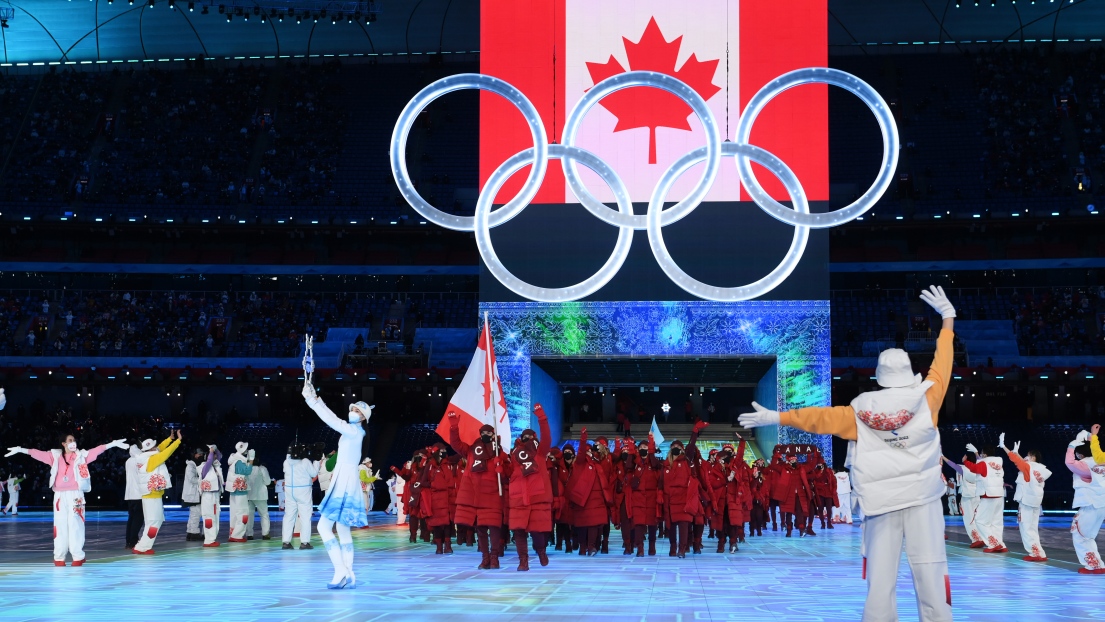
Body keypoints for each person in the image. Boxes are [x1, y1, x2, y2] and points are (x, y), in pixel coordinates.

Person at [739, 284, 956, 622]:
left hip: (880, 505)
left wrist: (774, 416)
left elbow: (816, 418)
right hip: (924, 502)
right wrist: (947, 320)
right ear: (910, 373)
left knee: (880, 581)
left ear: (878, 377)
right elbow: (942, 365)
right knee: (930, 573)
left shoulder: (859, 410)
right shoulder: (928, 398)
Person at [5, 434, 128, 566]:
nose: (73, 442)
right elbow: (38, 454)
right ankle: (59, 557)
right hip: (59, 495)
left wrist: (112, 444)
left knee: (76, 525)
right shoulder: (55, 456)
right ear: (63, 443)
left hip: (76, 495)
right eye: (70, 440)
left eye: (74, 440)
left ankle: (78, 556)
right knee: (60, 525)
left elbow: (97, 450)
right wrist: (21, 449)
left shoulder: (81, 456)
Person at [302, 382, 371, 589]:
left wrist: (313, 401)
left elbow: (331, 419)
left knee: (324, 527)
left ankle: (340, 569)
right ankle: (348, 572)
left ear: (364, 418)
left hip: (344, 481)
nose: (353, 411)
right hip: (345, 479)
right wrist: (314, 398)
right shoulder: (355, 432)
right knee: (342, 529)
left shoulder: (353, 431)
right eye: (352, 408)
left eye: (358, 410)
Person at [448, 416, 508, 570]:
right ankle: (485, 558)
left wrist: (501, 467)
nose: (485, 435)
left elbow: (508, 473)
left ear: (493, 435)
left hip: (493, 495)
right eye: (483, 433)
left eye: (488, 433)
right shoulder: (471, 451)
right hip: (476, 496)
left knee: (494, 528)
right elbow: (456, 444)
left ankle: (494, 557)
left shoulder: (499, 453)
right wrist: (454, 427)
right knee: (480, 530)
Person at [507, 404, 553, 570]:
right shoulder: (514, 455)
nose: (528, 441)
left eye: (531, 438)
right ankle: (523, 561)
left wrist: (542, 418)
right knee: (518, 532)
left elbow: (547, 437)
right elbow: (509, 471)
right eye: (524, 438)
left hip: (537, 498)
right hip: (518, 497)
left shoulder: (540, 453)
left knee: (537, 532)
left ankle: (541, 551)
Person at [660, 421, 708, 558]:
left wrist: (695, 431)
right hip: (670, 499)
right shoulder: (665, 465)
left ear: (682, 450)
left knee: (684, 525)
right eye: (673, 447)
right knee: (670, 526)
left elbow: (691, 447)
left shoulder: (686, 460)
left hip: (684, 498)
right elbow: (661, 483)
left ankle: (682, 549)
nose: (676, 448)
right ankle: (673, 548)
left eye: (678, 447)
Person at [999, 435, 1050, 562]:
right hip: (1035, 501)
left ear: (1033, 457)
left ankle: (1035, 553)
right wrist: (1016, 454)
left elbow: (1016, 461)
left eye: (1028, 455)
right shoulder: (1040, 468)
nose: (1025, 457)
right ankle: (1039, 552)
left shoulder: (1028, 467)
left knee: (1026, 528)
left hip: (1026, 501)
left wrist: (1004, 447)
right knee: (1032, 528)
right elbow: (1023, 463)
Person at [133, 431, 183, 554]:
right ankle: (142, 547)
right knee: (154, 521)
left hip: (152, 494)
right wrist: (178, 441)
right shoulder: (151, 460)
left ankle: (143, 545)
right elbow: (166, 453)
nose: (157, 447)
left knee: (155, 521)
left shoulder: (145, 457)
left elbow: (160, 448)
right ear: (151, 449)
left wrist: (169, 439)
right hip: (152, 495)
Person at [1065, 427, 1105, 574]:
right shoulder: (1102, 460)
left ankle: (1093, 566)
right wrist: (1090, 436)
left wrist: (1071, 445)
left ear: (1080, 454)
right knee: (1088, 536)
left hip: (1090, 503)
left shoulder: (1085, 464)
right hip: (1102, 504)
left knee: (1080, 535)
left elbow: (1069, 463)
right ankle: (1097, 564)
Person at [960, 443, 1007, 553]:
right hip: (999, 495)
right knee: (997, 522)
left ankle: (992, 543)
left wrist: (965, 462)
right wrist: (976, 453)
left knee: (980, 520)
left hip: (988, 495)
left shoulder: (984, 463)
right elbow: (983, 465)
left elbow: (975, 468)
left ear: (984, 454)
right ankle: (1000, 544)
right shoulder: (998, 462)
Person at [282, 443, 320, 550]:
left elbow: (288, 457)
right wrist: (317, 461)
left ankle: (286, 542)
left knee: (289, 516)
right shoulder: (305, 462)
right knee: (305, 517)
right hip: (303, 491)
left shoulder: (286, 462)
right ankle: (304, 542)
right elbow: (313, 473)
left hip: (290, 491)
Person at [943, 452, 983, 547]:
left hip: (967, 496)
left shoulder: (964, 469)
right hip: (977, 495)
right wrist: (977, 453)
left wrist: (943, 456)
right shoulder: (979, 467)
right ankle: (981, 537)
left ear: (965, 457)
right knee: (977, 518)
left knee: (968, 519)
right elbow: (982, 461)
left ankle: (976, 539)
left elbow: (951, 464)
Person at [225, 443, 254, 543]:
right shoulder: (239, 462)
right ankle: (237, 535)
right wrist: (251, 460)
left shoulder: (234, 460)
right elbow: (247, 471)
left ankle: (233, 533)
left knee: (234, 513)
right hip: (240, 490)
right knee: (243, 512)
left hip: (233, 490)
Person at [198, 445, 224, 547]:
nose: (215, 457)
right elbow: (209, 461)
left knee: (215, 517)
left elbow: (219, 456)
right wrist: (211, 451)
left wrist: (215, 449)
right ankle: (208, 540)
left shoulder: (215, 466)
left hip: (215, 495)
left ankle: (212, 538)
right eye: (213, 456)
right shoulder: (203, 467)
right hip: (207, 496)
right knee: (208, 517)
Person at [246, 456, 273, 540]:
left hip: (249, 495)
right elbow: (268, 482)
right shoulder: (262, 469)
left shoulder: (247, 468)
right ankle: (265, 534)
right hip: (261, 496)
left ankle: (249, 534)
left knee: (250, 515)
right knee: (264, 515)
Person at [182, 446, 205, 541]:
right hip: (193, 494)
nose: (201, 456)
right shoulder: (191, 465)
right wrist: (203, 480)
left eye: (202, 454)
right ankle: (194, 533)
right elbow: (192, 479)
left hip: (195, 494)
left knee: (194, 514)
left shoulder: (195, 465)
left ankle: (191, 532)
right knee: (195, 514)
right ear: (194, 454)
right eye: (199, 454)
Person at [123, 444, 143, 547]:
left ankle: (128, 541)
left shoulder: (128, 461)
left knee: (131, 518)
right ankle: (134, 540)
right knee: (138, 518)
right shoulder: (139, 460)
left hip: (129, 494)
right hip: (138, 494)